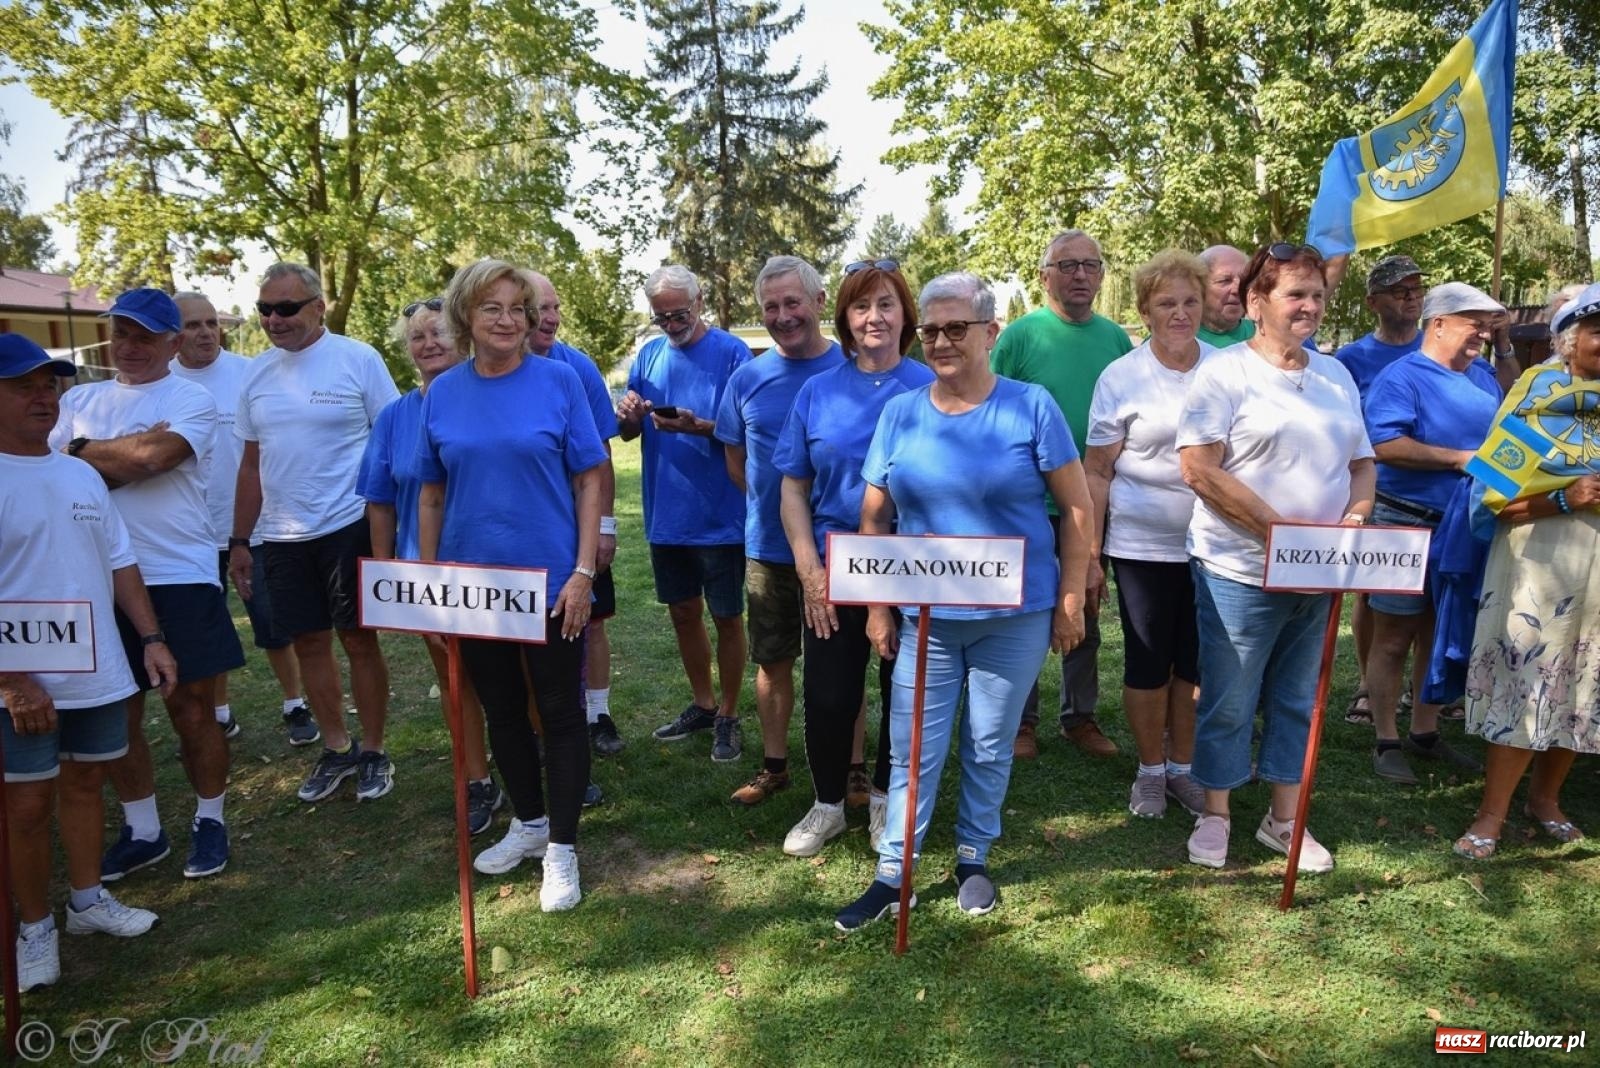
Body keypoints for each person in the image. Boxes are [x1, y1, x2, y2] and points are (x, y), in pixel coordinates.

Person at [835, 272, 1092, 931]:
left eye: (958, 329)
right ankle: (896, 874)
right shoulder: (900, 413)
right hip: (926, 618)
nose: (943, 342)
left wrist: (1070, 595)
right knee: (912, 746)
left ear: (990, 333)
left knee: (988, 740)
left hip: (1016, 614)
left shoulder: (1031, 407)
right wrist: (877, 606)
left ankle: (974, 856)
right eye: (933, 331)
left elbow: (1076, 506)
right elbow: (873, 519)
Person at [1176, 242, 1375, 873]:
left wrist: (1357, 516)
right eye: (1295, 294)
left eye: (1316, 295)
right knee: (1231, 697)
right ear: (1256, 303)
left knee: (1298, 697)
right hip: (1238, 569)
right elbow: (1198, 469)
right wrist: (1280, 533)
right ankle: (1216, 813)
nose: (1310, 306)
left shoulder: (1336, 375)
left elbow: (1361, 462)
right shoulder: (1224, 372)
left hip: (1320, 572)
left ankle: (1285, 821)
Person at [416, 259, 607, 911]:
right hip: (475, 588)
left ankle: (561, 849)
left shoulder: (559, 382)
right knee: (500, 710)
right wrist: (433, 582)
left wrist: (583, 572)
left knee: (557, 711)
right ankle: (526, 822)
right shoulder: (441, 393)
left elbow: (590, 478)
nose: (506, 320)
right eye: (491, 308)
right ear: (465, 317)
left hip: (551, 582)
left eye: (517, 308)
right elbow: (433, 494)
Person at [51, 288, 245, 881]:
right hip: (93, 574)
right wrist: (116, 454)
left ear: (173, 341)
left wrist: (85, 453)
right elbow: (55, 474)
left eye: (144, 335)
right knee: (118, 712)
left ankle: (210, 818)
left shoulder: (192, 397)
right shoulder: (79, 398)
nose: (129, 347)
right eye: (121, 333)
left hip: (177, 571)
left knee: (190, 705)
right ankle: (144, 828)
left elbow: (155, 459)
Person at [0, 333, 174, 992]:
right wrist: (11, 680)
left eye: (50, 385)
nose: (43, 397)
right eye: (24, 386)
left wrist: (152, 638)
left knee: (83, 788)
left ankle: (86, 902)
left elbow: (119, 560)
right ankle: (34, 926)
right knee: (24, 808)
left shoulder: (79, 473)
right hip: (21, 685)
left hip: (94, 671)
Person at [774, 259, 933, 856]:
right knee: (831, 691)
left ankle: (891, 800)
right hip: (834, 562)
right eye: (862, 306)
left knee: (904, 686)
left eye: (886, 304)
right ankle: (829, 805)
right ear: (843, 317)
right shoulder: (816, 392)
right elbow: (792, 486)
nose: (874, 317)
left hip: (912, 560)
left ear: (905, 316)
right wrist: (808, 568)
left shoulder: (928, 386)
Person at [229, 263, 400, 804]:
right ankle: (337, 746)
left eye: (286, 308)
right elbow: (250, 467)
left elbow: (390, 442)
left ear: (318, 307)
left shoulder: (358, 359)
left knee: (357, 638)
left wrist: (388, 535)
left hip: (347, 524)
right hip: (281, 534)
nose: (273, 319)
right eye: (265, 309)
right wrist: (239, 540)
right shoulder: (255, 375)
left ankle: (373, 750)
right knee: (308, 642)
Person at [1453, 282, 1600, 860]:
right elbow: (1493, 498)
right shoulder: (1537, 393)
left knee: (1582, 683)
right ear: (1567, 341)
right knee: (1527, 678)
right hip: (1540, 563)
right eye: (1596, 333)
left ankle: (1547, 801)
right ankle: (1490, 814)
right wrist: (1564, 498)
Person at [358, 296, 503, 835]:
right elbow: (380, 500)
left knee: (519, 678)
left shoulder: (487, 396)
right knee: (453, 679)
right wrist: (387, 575)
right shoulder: (395, 416)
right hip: (427, 575)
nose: (429, 344)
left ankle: (538, 763)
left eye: (439, 332)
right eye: (417, 337)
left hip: (497, 566)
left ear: (462, 336)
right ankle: (477, 779)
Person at [1083, 251, 1214, 820]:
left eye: (1190, 301)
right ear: (1144, 310)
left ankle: (1183, 768)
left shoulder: (1228, 368)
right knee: (1148, 661)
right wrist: (1090, 555)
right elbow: (1096, 470)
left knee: (1195, 664)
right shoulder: (1122, 376)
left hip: (1215, 543)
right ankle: (1149, 772)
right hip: (1141, 546)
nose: (1180, 313)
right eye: (1167, 303)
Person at [990, 229, 1131, 760]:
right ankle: (1022, 722)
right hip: (1027, 502)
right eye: (1066, 265)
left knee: (1086, 605)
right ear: (1044, 275)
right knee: (1024, 610)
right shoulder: (1022, 337)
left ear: (1100, 275)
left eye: (1089, 265)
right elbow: (993, 410)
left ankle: (1080, 716)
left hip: (1089, 503)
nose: (1079, 275)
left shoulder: (1116, 339)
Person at [714, 256, 845, 805]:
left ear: (818, 302)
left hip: (841, 548)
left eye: (793, 302)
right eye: (771, 306)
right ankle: (774, 766)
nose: (783, 315)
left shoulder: (852, 368)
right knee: (772, 660)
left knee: (841, 665)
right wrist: (776, 507)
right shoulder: (747, 377)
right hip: (769, 548)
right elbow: (736, 461)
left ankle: (853, 770)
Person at [1362, 283, 1503, 785]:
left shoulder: (1485, 378)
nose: (1483, 335)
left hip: (1465, 524)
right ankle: (1385, 738)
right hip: (1403, 523)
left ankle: (1424, 733)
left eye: (1487, 327)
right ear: (1437, 323)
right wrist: (1458, 459)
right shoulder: (1401, 377)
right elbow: (1383, 444)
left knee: (1438, 633)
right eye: (1474, 324)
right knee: (1394, 635)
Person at [618, 266, 752, 763]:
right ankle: (703, 703)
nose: (672, 323)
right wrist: (629, 416)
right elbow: (632, 432)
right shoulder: (649, 355)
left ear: (700, 303)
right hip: (666, 511)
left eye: (680, 313)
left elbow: (742, 432)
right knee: (682, 613)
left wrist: (699, 428)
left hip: (719, 513)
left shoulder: (732, 353)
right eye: (661, 316)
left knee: (727, 616)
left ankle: (730, 715)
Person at [170, 291, 311, 746]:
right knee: (209, 628)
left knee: (273, 621)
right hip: (189, 531)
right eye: (193, 325)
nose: (206, 332)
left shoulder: (249, 372)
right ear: (174, 334)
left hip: (254, 526)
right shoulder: (163, 382)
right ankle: (219, 712)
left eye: (211, 322)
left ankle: (295, 703)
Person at [524, 272, 624, 771]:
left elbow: (601, 455)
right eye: (540, 307)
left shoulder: (576, 367)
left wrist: (605, 526)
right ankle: (540, 723)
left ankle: (598, 715)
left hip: (578, 526)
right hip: (527, 531)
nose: (551, 317)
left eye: (556, 307)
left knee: (592, 621)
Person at [1333, 256, 1426, 728]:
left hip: (1434, 495)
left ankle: (1422, 692)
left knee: (1429, 599)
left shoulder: (1439, 348)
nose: (1410, 296)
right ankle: (1370, 686)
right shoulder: (1352, 358)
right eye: (1398, 290)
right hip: (1377, 490)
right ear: (1373, 301)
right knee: (1371, 594)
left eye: (1415, 288)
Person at [1196, 245, 1255, 348]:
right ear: (1199, 287)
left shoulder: (1262, 336)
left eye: (1244, 280)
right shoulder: (1182, 340)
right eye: (1224, 281)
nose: (1237, 289)